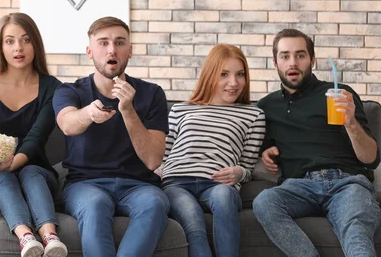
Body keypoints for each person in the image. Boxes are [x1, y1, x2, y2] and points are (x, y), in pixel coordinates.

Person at [253, 29, 381, 257]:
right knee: (265, 201)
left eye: (300, 55)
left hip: (347, 183)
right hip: (298, 186)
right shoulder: (266, 106)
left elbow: (371, 160)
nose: (293, 62)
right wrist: (266, 151)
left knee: (356, 232)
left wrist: (351, 123)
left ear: (312, 59)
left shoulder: (341, 95)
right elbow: (260, 146)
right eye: (285, 56)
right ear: (275, 62)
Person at [52, 16, 170, 257]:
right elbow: (67, 124)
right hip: (85, 184)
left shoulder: (152, 93)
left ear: (130, 51)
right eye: (103, 43)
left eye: (119, 42)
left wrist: (128, 110)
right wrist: (88, 113)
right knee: (95, 205)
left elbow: (153, 160)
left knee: (156, 203)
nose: (111, 49)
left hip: (139, 185)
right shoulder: (70, 91)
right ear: (89, 51)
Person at [0, 13, 68, 257]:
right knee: (5, 179)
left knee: (29, 171)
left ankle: (50, 237)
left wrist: (10, 164)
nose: (18, 48)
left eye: (25, 40)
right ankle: (26, 237)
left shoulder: (53, 88)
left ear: (36, 45)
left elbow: (36, 138)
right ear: (0, 46)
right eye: (9, 41)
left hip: (36, 173)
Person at [161, 44, 265, 257]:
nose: (233, 83)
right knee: (192, 218)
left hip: (218, 184)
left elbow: (247, 167)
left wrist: (239, 173)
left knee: (225, 197)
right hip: (177, 182)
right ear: (210, 75)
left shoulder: (253, 115)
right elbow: (164, 153)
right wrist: (156, 169)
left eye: (240, 74)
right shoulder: (181, 109)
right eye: (224, 74)